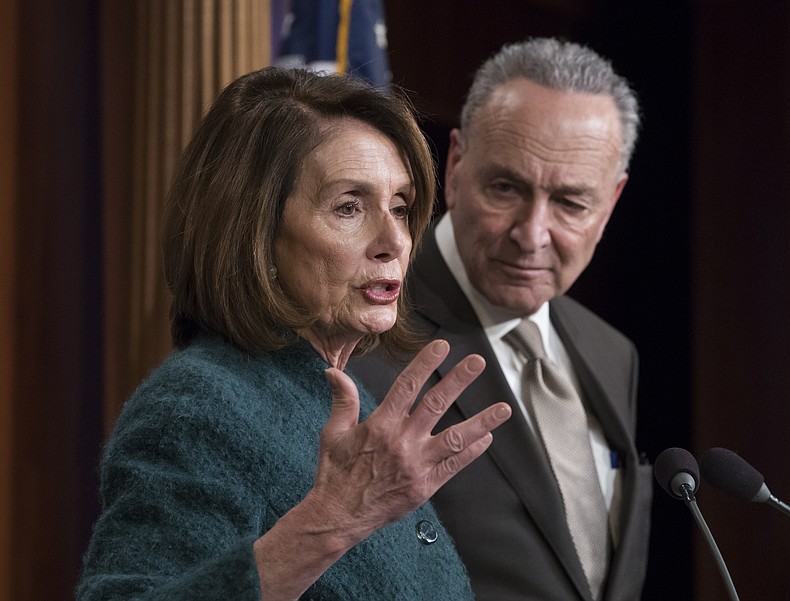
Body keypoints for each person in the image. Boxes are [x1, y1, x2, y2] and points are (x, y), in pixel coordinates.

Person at [76, 67, 512, 601]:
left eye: (399, 207)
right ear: (255, 231)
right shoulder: (193, 407)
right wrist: (329, 524)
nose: (393, 240)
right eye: (349, 207)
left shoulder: (345, 394)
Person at [351, 37, 652, 601]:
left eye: (571, 203)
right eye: (506, 188)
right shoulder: (362, 332)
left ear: (610, 202)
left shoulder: (612, 353)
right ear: (457, 165)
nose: (532, 234)